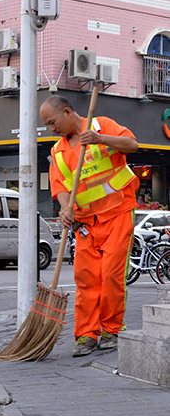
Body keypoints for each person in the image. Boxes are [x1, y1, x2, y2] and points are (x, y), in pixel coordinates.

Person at [41, 94, 139, 356]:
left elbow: (131, 144)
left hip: (117, 214)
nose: (52, 129)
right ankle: (86, 334)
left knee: (111, 277)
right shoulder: (57, 152)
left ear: (67, 112)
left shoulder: (101, 126)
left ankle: (111, 329)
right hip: (85, 224)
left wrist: (100, 139)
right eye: (48, 125)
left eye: (53, 122)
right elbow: (60, 186)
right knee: (85, 281)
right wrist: (65, 209)